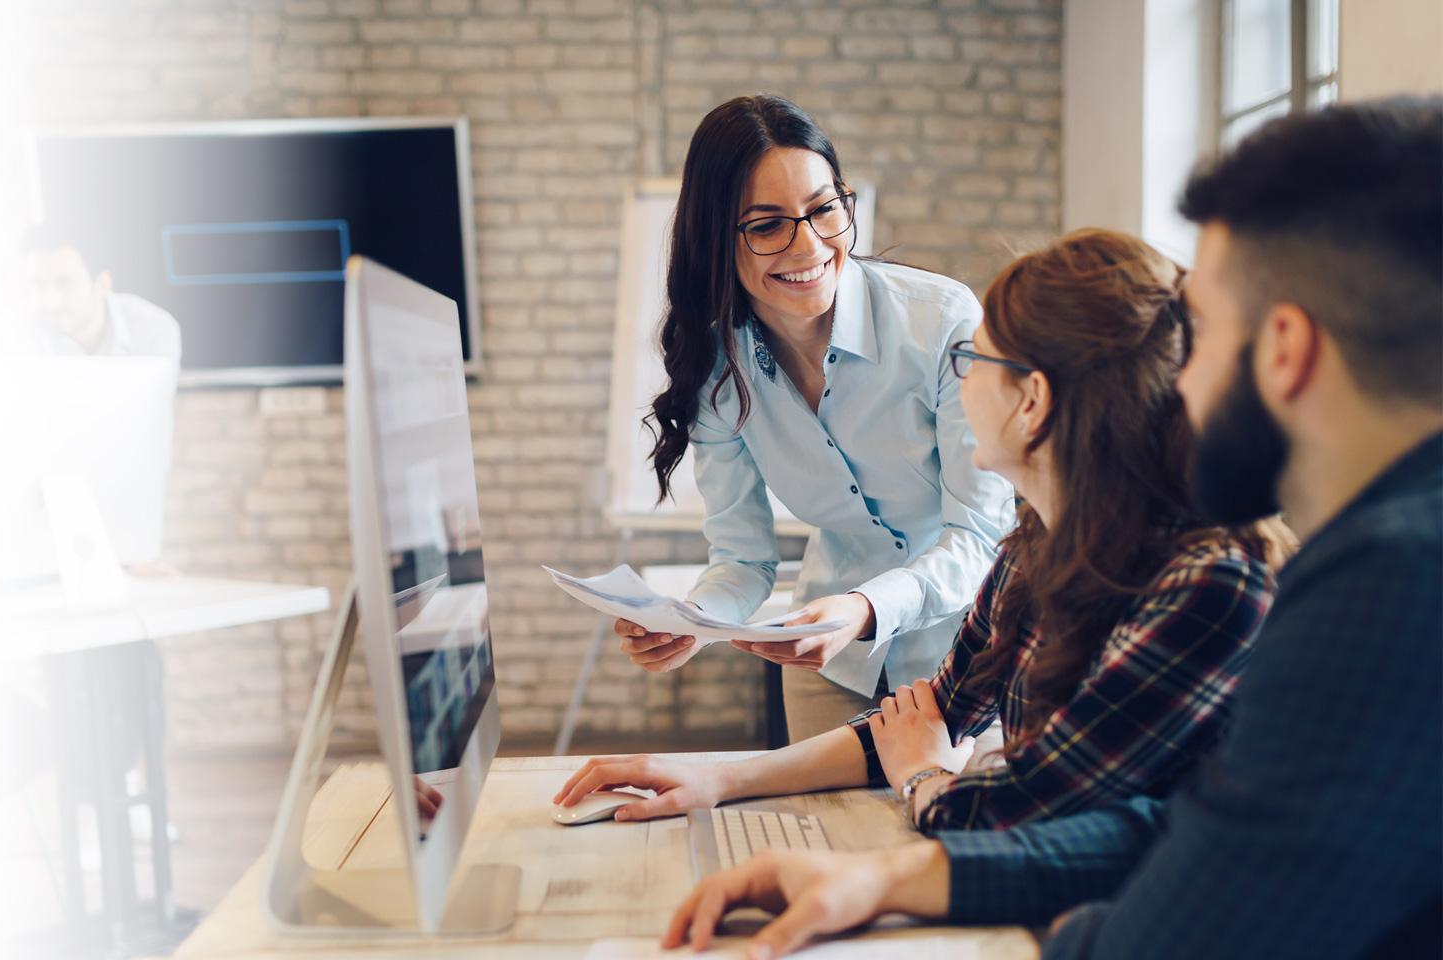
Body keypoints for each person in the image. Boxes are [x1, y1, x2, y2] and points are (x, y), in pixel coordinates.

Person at [659, 98, 1443, 960]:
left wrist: (932, 793)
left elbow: (1182, 901)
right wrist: (878, 876)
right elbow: (1170, 828)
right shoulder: (1046, 543)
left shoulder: (1376, 584)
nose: (1176, 376)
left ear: (1285, 349)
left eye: (1203, 330)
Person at [558, 230, 1279, 832]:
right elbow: (933, 713)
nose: (956, 381)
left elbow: (1025, 812)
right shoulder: (1032, 550)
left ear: (1031, 400)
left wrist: (924, 775)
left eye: (973, 359)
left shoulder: (1205, 584)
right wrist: (714, 776)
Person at [620, 94, 1014, 742]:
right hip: (830, 662)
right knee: (815, 835)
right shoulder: (719, 371)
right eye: (768, 224)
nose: (809, 246)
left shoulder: (942, 322)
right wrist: (693, 620)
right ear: (716, 238)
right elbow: (744, 560)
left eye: (824, 210)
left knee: (947, 835)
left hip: (972, 652)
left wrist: (863, 610)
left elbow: (979, 538)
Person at [25, 227, 183, 361]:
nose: (48, 302)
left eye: (64, 284)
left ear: (102, 284)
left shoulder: (152, 330)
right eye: (38, 285)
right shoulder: (13, 337)